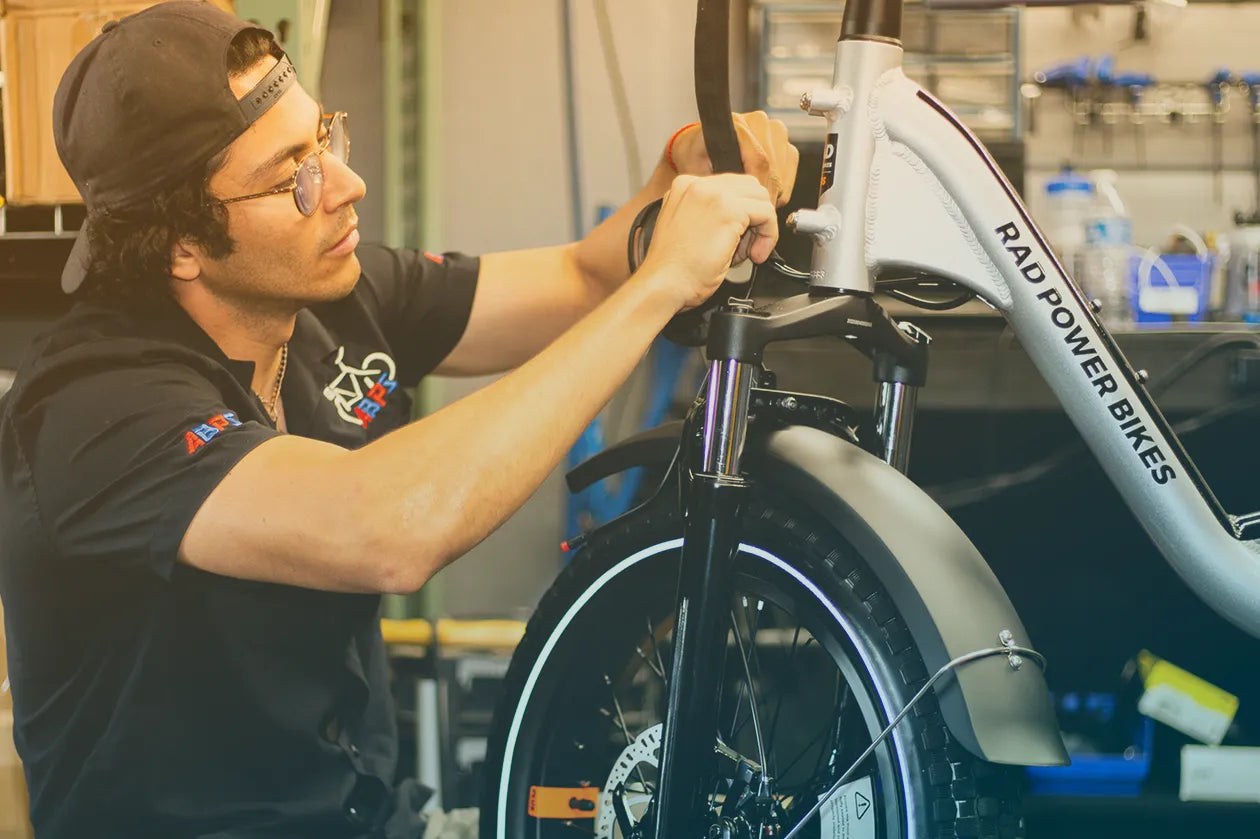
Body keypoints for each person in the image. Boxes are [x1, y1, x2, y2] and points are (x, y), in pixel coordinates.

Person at [0, 2, 799, 838]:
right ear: (182, 246)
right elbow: (387, 526)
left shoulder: (329, 298)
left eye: (326, 139)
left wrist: (677, 183)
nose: (346, 184)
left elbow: (580, 277)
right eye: (294, 176)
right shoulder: (91, 406)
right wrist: (661, 285)